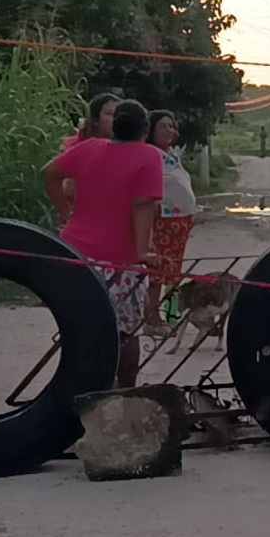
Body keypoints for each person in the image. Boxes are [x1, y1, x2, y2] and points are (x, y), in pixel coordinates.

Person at [44, 100, 163, 389]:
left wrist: (63, 211)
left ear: (115, 126)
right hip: (119, 261)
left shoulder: (89, 147)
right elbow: (142, 206)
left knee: (81, 327)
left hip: (75, 254)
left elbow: (49, 172)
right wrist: (142, 252)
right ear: (145, 130)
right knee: (125, 332)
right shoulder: (148, 156)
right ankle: (124, 390)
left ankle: (80, 388)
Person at [144, 110, 198, 334]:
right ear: (150, 130)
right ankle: (152, 320)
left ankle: (171, 315)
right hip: (163, 221)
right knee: (157, 274)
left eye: (172, 126)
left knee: (172, 273)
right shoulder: (149, 154)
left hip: (179, 223)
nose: (170, 131)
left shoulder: (171, 155)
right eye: (163, 126)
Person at [61, 93, 121, 209]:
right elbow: (68, 192)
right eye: (109, 114)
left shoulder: (128, 151)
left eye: (119, 114)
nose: (116, 119)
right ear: (95, 119)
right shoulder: (77, 148)